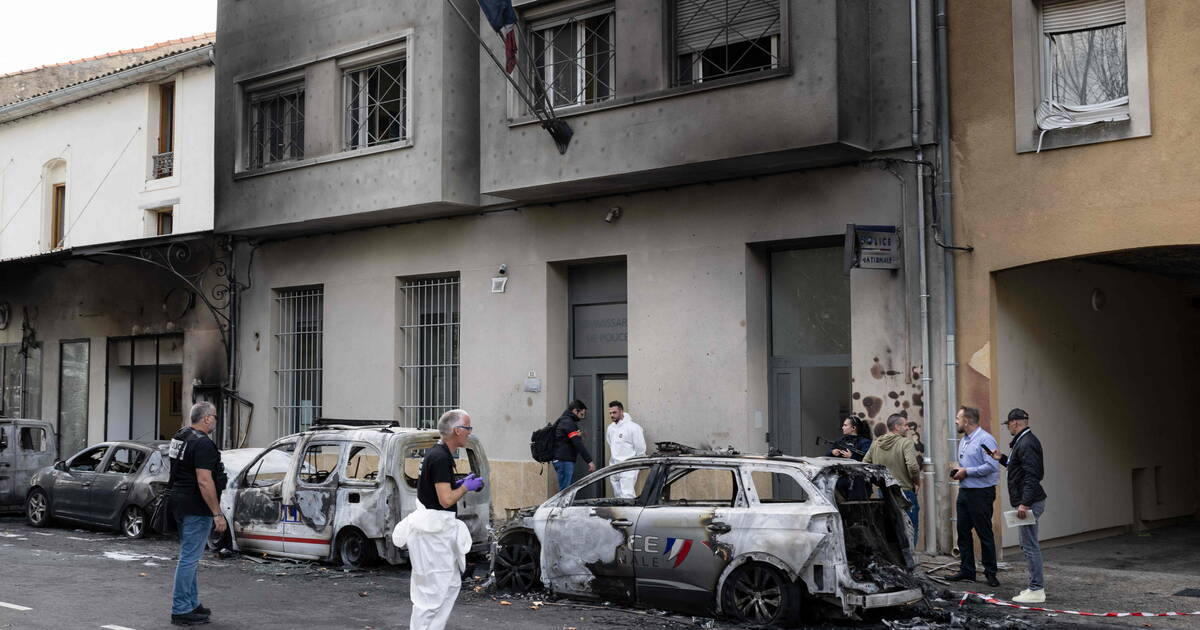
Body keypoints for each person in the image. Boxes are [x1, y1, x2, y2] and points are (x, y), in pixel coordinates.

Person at [393, 409, 484, 630]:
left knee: (449, 585)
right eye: (468, 428)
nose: (470, 433)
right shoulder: (441, 457)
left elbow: (439, 492)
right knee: (433, 593)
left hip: (434, 532)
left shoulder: (439, 454)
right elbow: (445, 500)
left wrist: (459, 483)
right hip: (432, 535)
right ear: (457, 431)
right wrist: (465, 487)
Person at [167, 401, 227, 626]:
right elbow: (204, 480)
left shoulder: (180, 436)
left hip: (180, 504)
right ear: (207, 418)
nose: (215, 421)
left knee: (189, 556)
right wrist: (217, 513)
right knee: (189, 559)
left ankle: (191, 603)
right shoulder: (203, 444)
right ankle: (181, 609)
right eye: (215, 416)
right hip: (195, 506)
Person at [991, 408, 1047, 604]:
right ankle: (1034, 586)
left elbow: (1033, 475)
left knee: (1030, 546)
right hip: (1029, 501)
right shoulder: (1023, 441)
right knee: (1027, 544)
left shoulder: (1027, 443)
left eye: (1008, 424)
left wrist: (1024, 503)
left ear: (1015, 423)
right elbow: (1020, 470)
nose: (1008, 428)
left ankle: (1037, 589)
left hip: (1030, 502)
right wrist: (1003, 459)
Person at [945, 406, 1001, 587]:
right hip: (965, 491)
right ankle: (967, 570)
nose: (956, 421)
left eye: (958, 418)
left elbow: (992, 466)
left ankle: (990, 573)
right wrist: (959, 472)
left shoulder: (985, 439)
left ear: (967, 421)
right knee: (962, 532)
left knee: (984, 533)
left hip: (981, 493)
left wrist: (967, 472)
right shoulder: (964, 440)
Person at [864, 414, 921, 538]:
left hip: (883, 492)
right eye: (905, 425)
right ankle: (908, 557)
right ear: (897, 427)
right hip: (904, 491)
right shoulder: (905, 443)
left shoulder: (876, 444)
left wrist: (878, 480)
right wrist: (917, 482)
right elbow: (913, 466)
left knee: (889, 529)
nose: (907, 428)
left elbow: (865, 464)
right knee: (910, 528)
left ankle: (894, 557)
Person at [604, 401, 646, 498]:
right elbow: (611, 444)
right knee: (618, 496)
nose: (611, 415)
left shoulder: (633, 428)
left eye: (614, 412)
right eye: (610, 413)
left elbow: (641, 449)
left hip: (628, 467)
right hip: (614, 467)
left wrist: (638, 464)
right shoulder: (610, 428)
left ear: (621, 411)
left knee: (627, 495)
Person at [552, 400, 595, 490]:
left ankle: (565, 505)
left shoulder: (566, 420)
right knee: (565, 491)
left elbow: (569, 439)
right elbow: (577, 443)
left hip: (564, 459)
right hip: (564, 460)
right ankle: (562, 505)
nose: (582, 417)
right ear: (575, 411)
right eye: (581, 414)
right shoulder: (568, 422)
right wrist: (589, 461)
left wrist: (577, 435)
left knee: (568, 491)